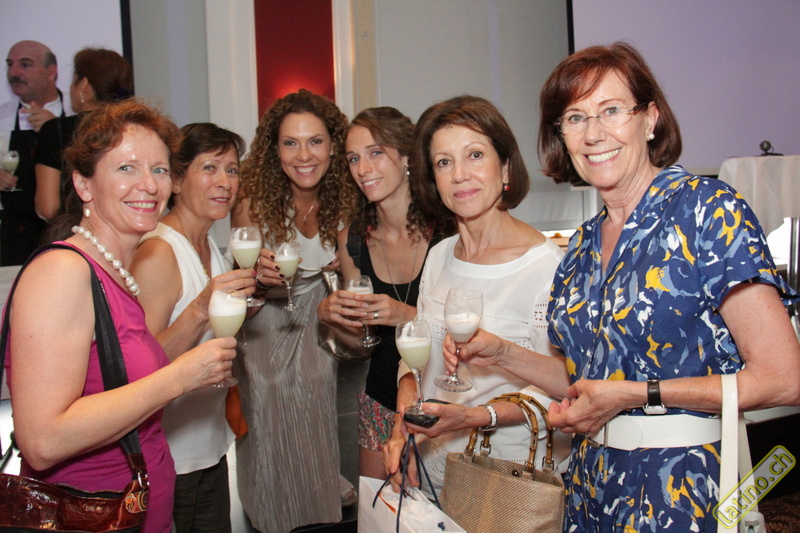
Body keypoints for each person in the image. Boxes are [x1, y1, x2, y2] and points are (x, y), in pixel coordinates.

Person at [449, 42, 800, 531]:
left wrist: (635, 395)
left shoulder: (706, 210)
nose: (594, 134)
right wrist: (500, 353)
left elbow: (784, 378)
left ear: (650, 119)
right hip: (591, 488)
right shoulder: (580, 246)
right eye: (575, 118)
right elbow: (586, 381)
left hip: (681, 492)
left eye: (611, 110)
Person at [3, 100, 239, 533]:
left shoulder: (115, 272)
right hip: (91, 516)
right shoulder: (63, 272)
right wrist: (178, 379)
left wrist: (199, 315)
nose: (148, 184)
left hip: (142, 511)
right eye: (127, 168)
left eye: (159, 169)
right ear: (84, 184)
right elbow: (42, 441)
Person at [382, 95, 571, 494]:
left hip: (506, 484)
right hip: (431, 467)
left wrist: (476, 416)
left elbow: (564, 387)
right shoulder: (439, 256)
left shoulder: (547, 269)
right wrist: (405, 421)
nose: (459, 175)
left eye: (475, 155)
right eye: (444, 162)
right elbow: (418, 354)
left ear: (505, 167)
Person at [231, 88, 360, 532]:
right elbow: (240, 285)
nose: (304, 155)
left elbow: (360, 265)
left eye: (315, 141)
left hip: (319, 313)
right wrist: (257, 275)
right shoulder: (252, 200)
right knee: (268, 412)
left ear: (334, 146)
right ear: (275, 149)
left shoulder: (347, 197)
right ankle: (271, 512)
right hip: (264, 319)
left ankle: (316, 504)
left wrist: (347, 265)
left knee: (316, 408)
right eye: (290, 143)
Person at [317, 106, 455, 479]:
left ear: (407, 156)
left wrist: (404, 315)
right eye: (353, 159)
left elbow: (472, 329)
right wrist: (332, 318)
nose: (363, 168)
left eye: (376, 152)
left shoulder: (451, 229)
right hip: (381, 399)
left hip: (448, 401)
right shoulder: (353, 239)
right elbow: (364, 345)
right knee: (377, 508)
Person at [130, 123, 254, 532]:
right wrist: (201, 307)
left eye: (232, 170)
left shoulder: (211, 245)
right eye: (210, 168)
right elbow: (141, 368)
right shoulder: (159, 252)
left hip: (209, 445)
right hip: (170, 455)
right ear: (178, 180)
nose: (225, 182)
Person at [36, 47, 133, 222]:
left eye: (73, 81)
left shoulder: (55, 130)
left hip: (74, 231)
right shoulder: (136, 129)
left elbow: (47, 208)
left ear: (84, 85)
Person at [0, 40, 65, 265]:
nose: (14, 73)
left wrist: (56, 128)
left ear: (52, 72)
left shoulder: (74, 113)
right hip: (14, 240)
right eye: (10, 64)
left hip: (66, 234)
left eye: (25, 64)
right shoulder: (2, 117)